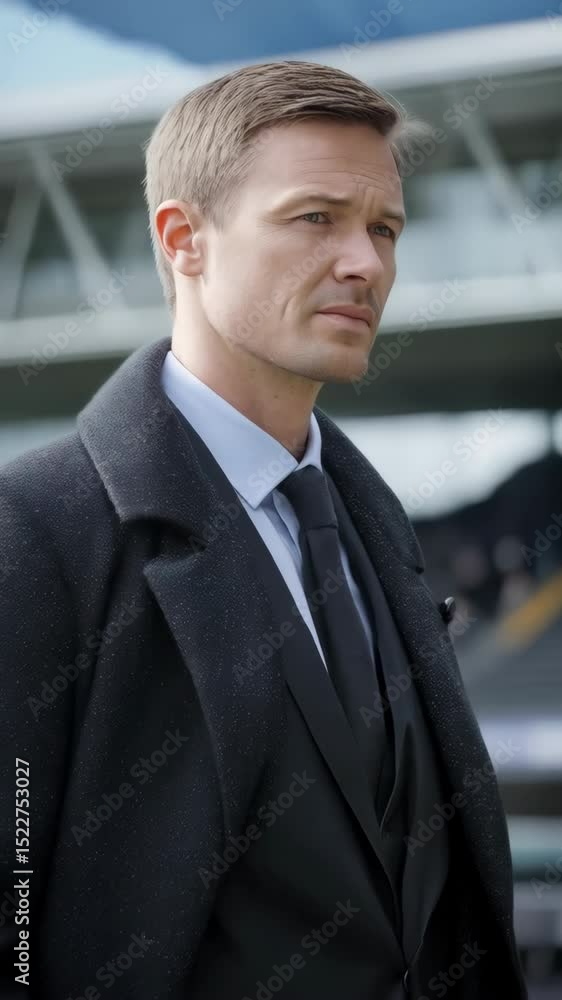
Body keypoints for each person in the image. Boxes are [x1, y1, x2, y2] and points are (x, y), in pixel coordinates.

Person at [0, 60, 527, 999]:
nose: (366, 264)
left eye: (385, 228)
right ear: (184, 240)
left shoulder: (379, 528)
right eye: (316, 217)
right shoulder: (35, 528)